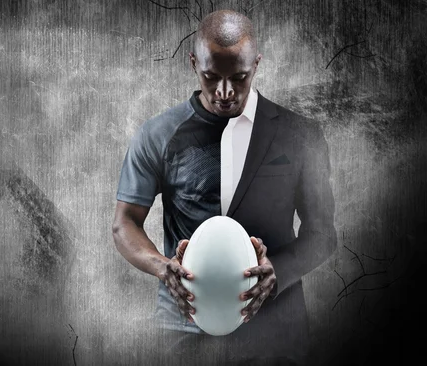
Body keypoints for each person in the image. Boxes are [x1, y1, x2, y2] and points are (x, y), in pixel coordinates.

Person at [111, 8, 336, 366]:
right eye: (211, 77)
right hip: (184, 332)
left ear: (257, 64)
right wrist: (161, 267)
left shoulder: (300, 136)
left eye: (240, 77)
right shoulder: (157, 134)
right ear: (192, 63)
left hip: (275, 334)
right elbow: (125, 223)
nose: (225, 91)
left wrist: (277, 272)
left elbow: (323, 234)